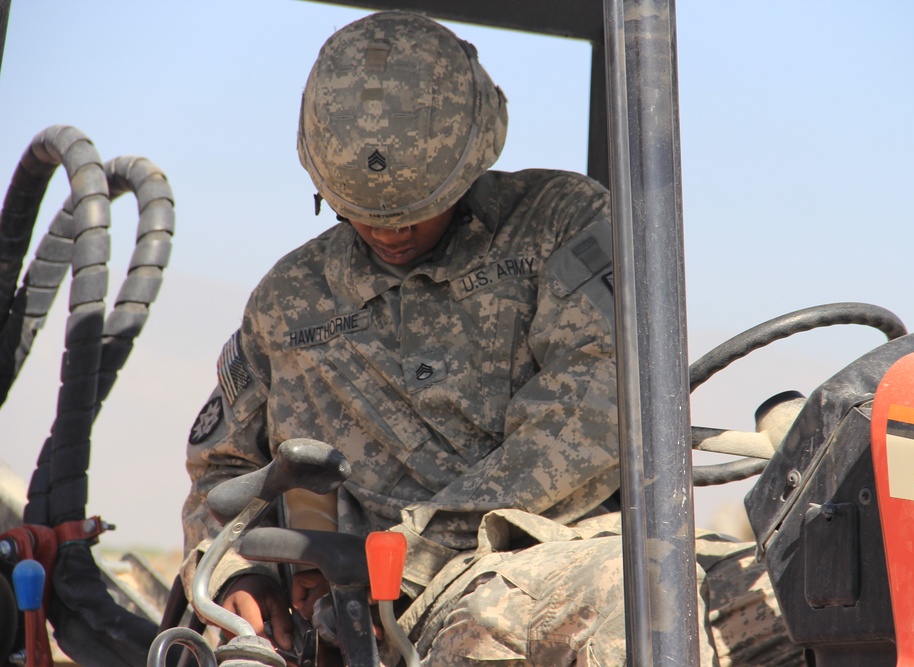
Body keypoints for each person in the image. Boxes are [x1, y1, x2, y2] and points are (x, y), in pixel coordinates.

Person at [181, 11, 806, 666]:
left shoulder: (561, 225)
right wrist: (238, 573)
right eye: (363, 213)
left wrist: (413, 552)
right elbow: (222, 472)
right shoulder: (286, 302)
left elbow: (594, 415)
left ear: (477, 154)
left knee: (798, 596)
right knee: (616, 614)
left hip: (559, 550)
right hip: (383, 618)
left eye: (422, 205)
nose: (392, 232)